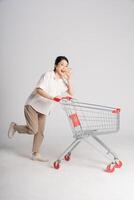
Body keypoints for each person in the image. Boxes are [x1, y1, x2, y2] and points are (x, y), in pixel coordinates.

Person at [8, 56, 73, 162]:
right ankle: (15, 127)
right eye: (62, 64)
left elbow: (71, 93)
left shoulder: (62, 82)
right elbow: (39, 90)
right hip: (32, 105)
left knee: (40, 132)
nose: (64, 67)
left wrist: (69, 79)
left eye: (66, 66)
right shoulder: (48, 75)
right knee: (33, 129)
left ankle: (35, 154)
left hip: (44, 109)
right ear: (55, 65)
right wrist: (53, 98)